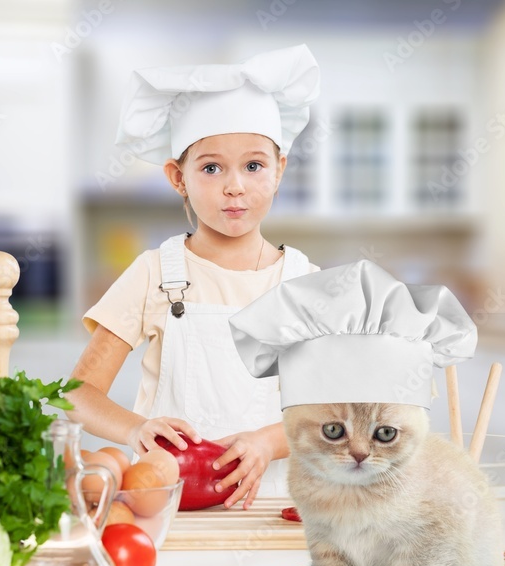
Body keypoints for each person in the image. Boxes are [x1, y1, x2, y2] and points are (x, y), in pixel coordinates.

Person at [67, 44, 322, 509]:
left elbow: (338, 410)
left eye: (253, 165)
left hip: (277, 512)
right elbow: (77, 394)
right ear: (177, 177)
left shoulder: (307, 283)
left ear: (279, 170)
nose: (235, 185)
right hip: (166, 511)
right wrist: (135, 428)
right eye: (210, 167)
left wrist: (267, 441)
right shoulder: (153, 273)